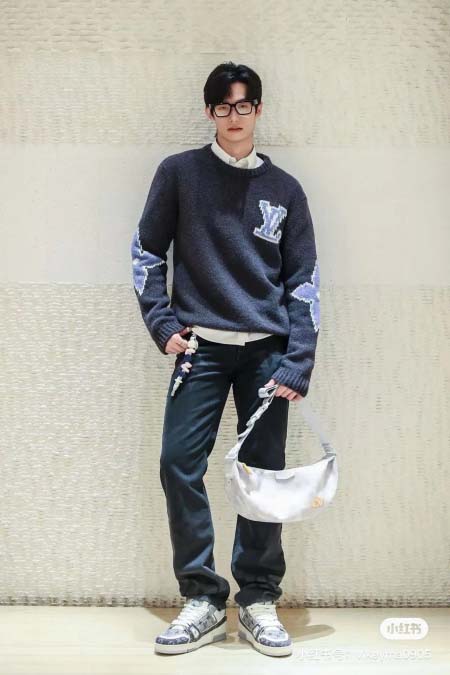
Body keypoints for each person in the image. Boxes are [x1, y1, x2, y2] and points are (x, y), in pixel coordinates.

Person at [130, 61, 320, 658]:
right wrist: (163, 324)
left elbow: (304, 281)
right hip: (201, 350)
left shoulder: (286, 190)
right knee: (178, 464)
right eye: (222, 106)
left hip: (267, 355)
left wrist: (299, 359)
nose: (233, 117)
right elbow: (146, 252)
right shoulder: (179, 174)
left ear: (258, 110)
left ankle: (258, 598)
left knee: (262, 477)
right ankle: (204, 598)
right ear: (209, 111)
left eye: (243, 106)